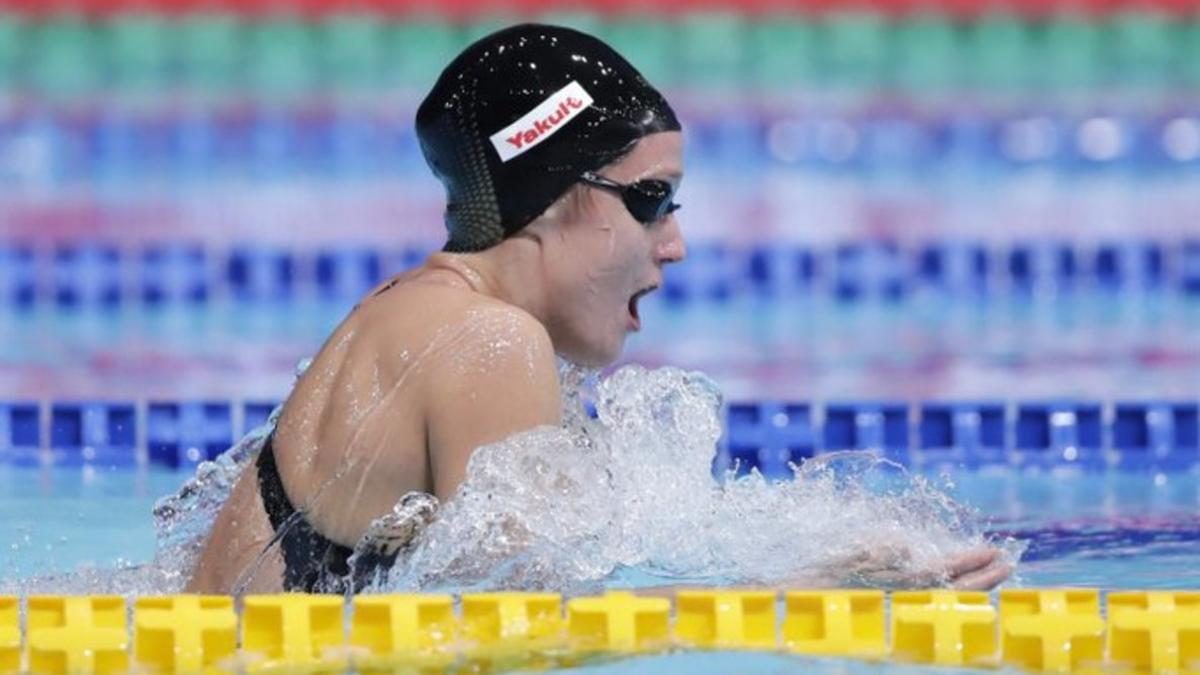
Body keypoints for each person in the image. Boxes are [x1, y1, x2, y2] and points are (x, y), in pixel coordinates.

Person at [186, 23, 1010, 594]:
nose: (675, 242)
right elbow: (527, 634)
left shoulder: (416, 310)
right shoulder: (488, 341)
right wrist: (813, 589)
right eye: (652, 199)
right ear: (550, 199)